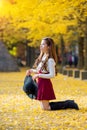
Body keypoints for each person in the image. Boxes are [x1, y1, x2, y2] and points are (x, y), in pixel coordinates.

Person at [26, 37, 79, 110]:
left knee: (46, 108)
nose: (41, 46)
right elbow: (39, 70)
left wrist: (38, 75)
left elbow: (52, 75)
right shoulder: (43, 57)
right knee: (44, 107)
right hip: (40, 83)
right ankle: (68, 102)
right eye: (41, 44)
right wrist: (31, 70)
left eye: (43, 44)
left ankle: (69, 103)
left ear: (49, 46)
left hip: (45, 84)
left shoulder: (50, 60)